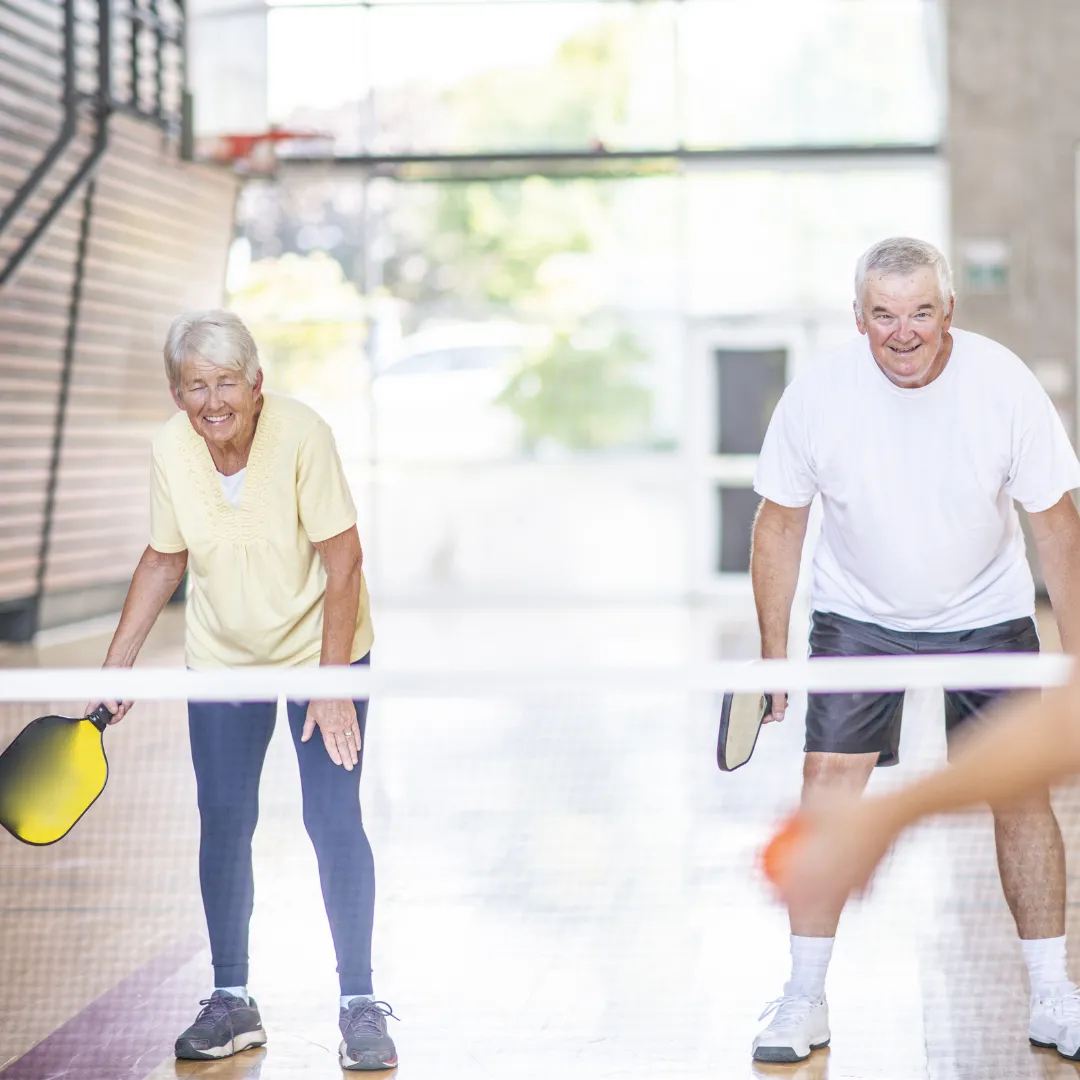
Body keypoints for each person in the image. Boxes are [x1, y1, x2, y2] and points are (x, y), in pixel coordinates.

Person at [748, 237, 1080, 1064]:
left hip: (987, 614)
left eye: (921, 313)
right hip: (860, 618)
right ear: (858, 318)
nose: (904, 332)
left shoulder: (1003, 384)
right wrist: (770, 652)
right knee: (827, 781)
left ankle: (1054, 994)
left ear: (949, 315)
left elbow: (1056, 527)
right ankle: (803, 996)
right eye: (885, 314)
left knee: (1021, 796)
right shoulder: (819, 393)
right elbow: (779, 522)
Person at [86, 310, 397, 1071]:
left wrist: (329, 686)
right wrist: (114, 666)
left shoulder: (302, 434)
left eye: (228, 382)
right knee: (223, 821)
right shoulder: (171, 448)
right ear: (176, 393)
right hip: (224, 659)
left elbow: (344, 559)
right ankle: (231, 1000)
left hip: (325, 651)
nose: (213, 399)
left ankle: (359, 1003)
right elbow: (164, 559)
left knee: (332, 817)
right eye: (197, 385)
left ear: (258, 387)